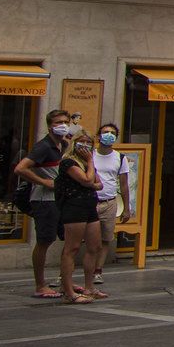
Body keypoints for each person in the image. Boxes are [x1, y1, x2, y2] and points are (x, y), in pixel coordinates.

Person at [15, 109, 71, 299]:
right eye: (58, 122)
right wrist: (45, 182)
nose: (62, 125)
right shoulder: (44, 146)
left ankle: (66, 281)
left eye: (65, 121)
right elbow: (21, 168)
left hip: (61, 200)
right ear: (49, 126)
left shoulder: (63, 145)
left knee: (70, 240)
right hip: (45, 200)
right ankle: (40, 285)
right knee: (44, 241)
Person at [53, 133, 101, 303]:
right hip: (74, 207)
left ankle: (89, 287)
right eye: (82, 142)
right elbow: (87, 179)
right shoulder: (68, 162)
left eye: (89, 143)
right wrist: (90, 164)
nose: (86, 145)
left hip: (89, 205)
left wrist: (90, 178)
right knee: (71, 248)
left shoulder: (87, 163)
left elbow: (98, 183)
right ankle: (68, 291)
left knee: (94, 247)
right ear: (74, 144)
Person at [88, 123, 134, 293]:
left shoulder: (120, 158)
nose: (109, 135)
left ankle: (98, 270)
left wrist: (127, 208)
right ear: (98, 136)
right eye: (105, 132)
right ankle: (66, 273)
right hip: (90, 201)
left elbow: (124, 184)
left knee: (106, 238)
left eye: (112, 133)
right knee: (79, 238)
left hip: (109, 201)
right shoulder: (90, 155)